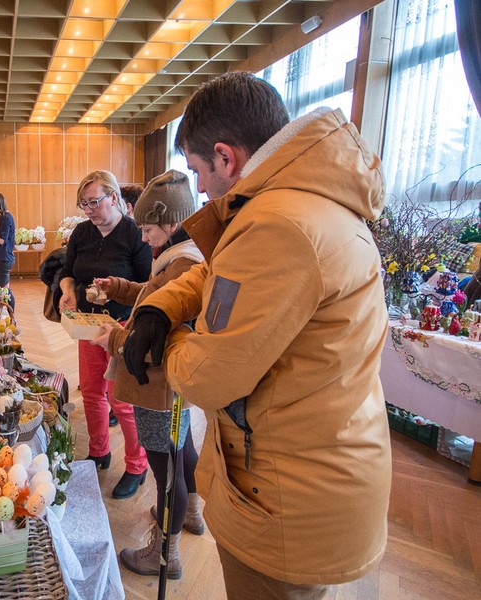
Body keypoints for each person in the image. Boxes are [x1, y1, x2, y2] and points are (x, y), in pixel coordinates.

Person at [122, 72, 390, 597]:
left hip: (289, 495)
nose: (200, 188)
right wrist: (159, 306)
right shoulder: (293, 201)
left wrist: (165, 339)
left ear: (226, 157)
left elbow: (206, 376)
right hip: (306, 469)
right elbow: (216, 271)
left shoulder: (279, 224)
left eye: (199, 170)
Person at [90, 170, 204, 578]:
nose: (142, 237)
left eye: (148, 228)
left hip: (157, 386)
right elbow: (152, 297)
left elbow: (157, 338)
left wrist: (115, 339)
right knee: (181, 453)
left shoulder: (184, 263)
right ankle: (190, 513)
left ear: (171, 223)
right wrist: (120, 287)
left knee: (165, 472)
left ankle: (164, 555)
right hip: (168, 387)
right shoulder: (179, 256)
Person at [58, 170, 152, 499]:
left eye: (94, 202)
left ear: (113, 198)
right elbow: (67, 272)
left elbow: (149, 287)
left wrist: (118, 291)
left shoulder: (135, 234)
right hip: (87, 324)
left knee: (121, 401)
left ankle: (137, 465)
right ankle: (99, 451)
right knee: (92, 392)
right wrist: (67, 291)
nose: (89, 210)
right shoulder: (82, 233)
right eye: (83, 204)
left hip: (122, 328)